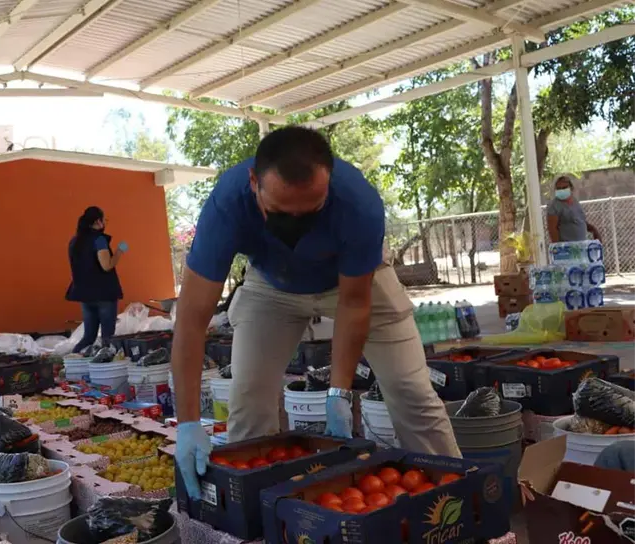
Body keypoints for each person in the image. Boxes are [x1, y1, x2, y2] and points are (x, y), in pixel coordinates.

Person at [172, 127, 461, 499]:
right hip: (272, 286)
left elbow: (354, 304)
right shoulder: (226, 205)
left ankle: (449, 496)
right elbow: (192, 321)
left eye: (310, 212)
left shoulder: (357, 202)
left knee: (412, 392)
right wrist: (189, 423)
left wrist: (338, 392)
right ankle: (256, 504)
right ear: (253, 182)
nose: (294, 226)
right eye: (279, 212)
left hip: (354, 282)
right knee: (248, 397)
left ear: (328, 187)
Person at [66, 206, 128, 353]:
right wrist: (120, 251)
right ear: (98, 221)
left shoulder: (74, 242)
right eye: (103, 219)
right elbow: (106, 266)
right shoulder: (99, 240)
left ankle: (71, 363)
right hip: (103, 294)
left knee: (88, 336)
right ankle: (105, 369)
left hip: (84, 294)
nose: (104, 223)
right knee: (107, 337)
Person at [547, 176, 600, 243]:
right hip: (566, 248)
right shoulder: (554, 206)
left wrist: (593, 230)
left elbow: (580, 220)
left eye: (564, 188)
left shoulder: (575, 202)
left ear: (571, 188)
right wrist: (559, 248)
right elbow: (552, 229)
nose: (561, 190)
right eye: (558, 188)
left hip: (581, 246)